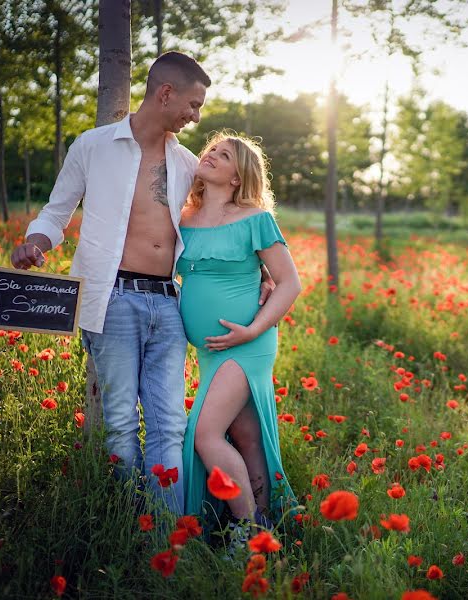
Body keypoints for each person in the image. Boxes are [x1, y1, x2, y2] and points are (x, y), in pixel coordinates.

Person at [9, 52, 273, 515]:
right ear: (165, 93)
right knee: (120, 427)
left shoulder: (190, 164)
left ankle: (170, 530)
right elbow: (57, 211)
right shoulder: (92, 147)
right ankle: (130, 526)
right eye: (193, 104)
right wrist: (36, 241)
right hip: (110, 301)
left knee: (170, 426)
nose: (197, 116)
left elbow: (223, 220)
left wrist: (263, 273)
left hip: (169, 304)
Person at [178, 131, 300, 539]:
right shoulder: (184, 218)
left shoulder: (255, 219)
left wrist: (253, 329)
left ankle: (246, 530)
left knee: (205, 433)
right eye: (211, 149)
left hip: (247, 343)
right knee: (246, 435)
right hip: (212, 351)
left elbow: (288, 283)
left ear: (237, 177)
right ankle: (264, 522)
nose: (210, 155)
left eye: (224, 155)